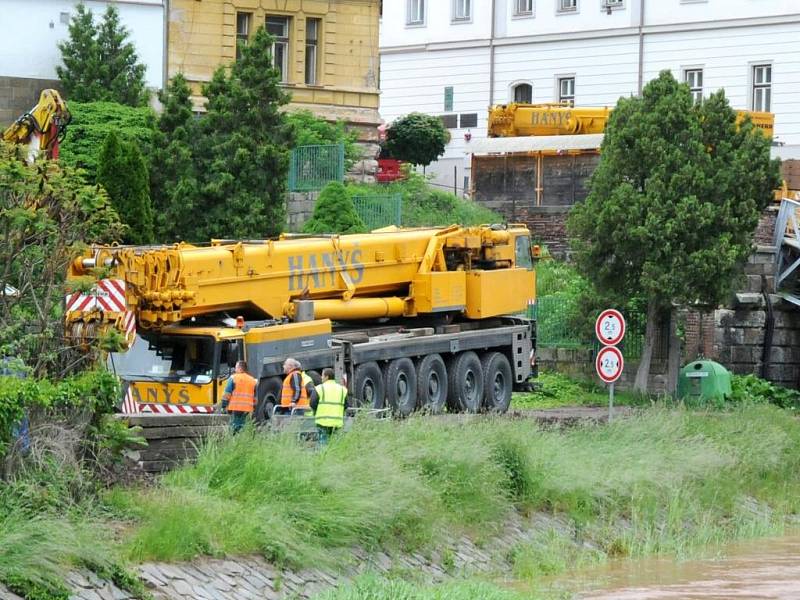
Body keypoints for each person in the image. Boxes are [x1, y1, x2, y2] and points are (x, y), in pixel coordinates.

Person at [311, 368, 348, 446]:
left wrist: (317, 412)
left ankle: (324, 458)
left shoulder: (319, 388)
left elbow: (312, 403)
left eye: (322, 375)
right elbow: (346, 405)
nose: (321, 377)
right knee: (335, 445)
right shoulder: (342, 389)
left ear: (327, 377)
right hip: (337, 423)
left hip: (322, 422)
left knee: (323, 445)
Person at [221, 360, 257, 434]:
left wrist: (223, 406)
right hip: (247, 409)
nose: (235, 369)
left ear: (240, 368)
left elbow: (227, 393)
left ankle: (235, 442)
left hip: (235, 408)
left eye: (236, 367)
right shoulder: (253, 380)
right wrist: (253, 407)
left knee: (234, 427)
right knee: (244, 427)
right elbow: (255, 398)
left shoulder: (233, 378)